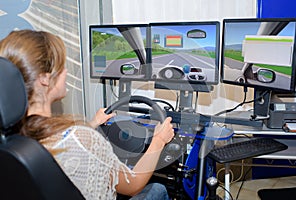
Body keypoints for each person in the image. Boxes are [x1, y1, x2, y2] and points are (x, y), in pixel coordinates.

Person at [0, 30, 175, 200]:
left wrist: (93, 123)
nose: (66, 71)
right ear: (45, 79)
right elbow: (132, 183)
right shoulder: (81, 139)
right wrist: (159, 140)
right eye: (61, 66)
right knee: (158, 189)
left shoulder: (10, 137)